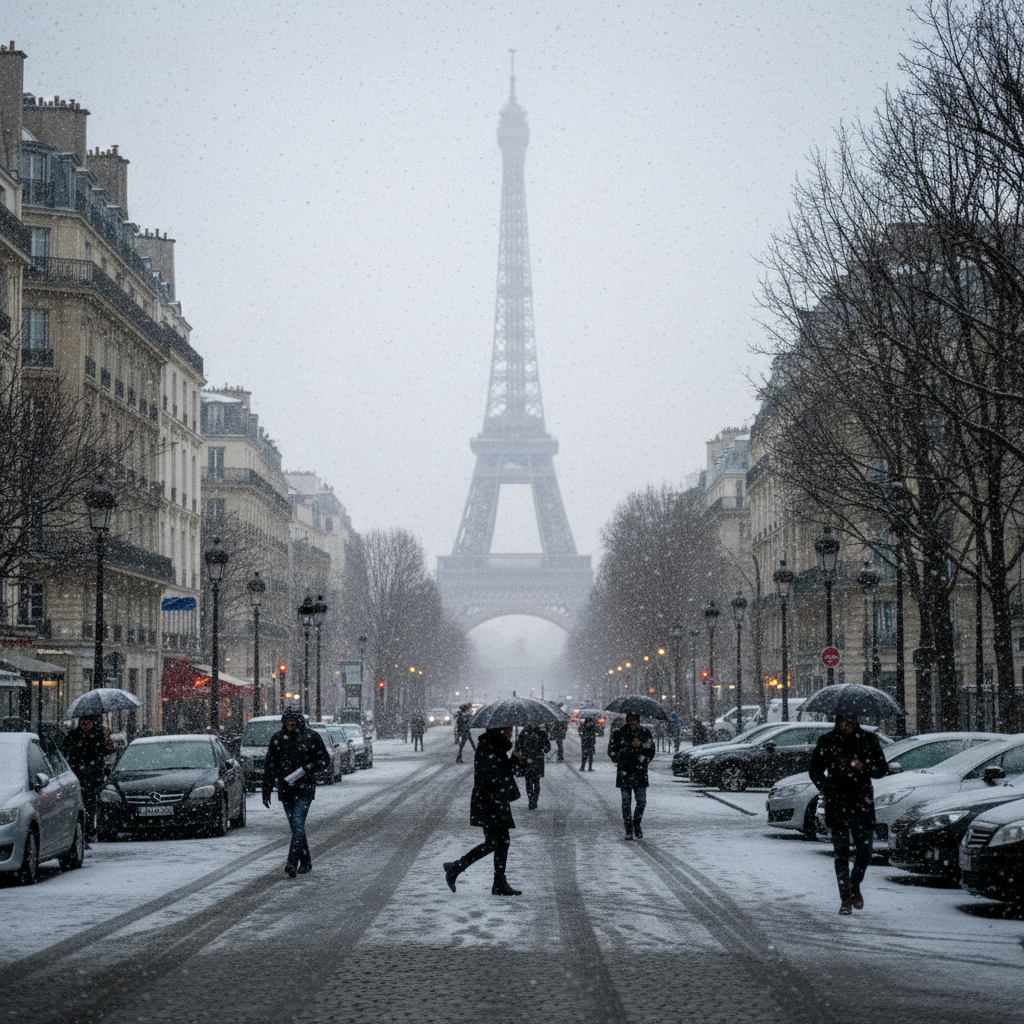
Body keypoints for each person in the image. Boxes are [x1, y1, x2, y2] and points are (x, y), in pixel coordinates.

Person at [809, 713, 888, 914]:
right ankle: (845, 898)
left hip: (862, 803)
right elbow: (815, 770)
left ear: (857, 720)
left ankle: (855, 884)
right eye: (842, 719)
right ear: (836, 721)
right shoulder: (827, 741)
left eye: (851, 718)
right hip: (837, 803)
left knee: (865, 852)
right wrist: (826, 787)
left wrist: (866, 767)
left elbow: (882, 769)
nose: (847, 723)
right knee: (841, 852)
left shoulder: (868, 740)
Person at [443, 726, 523, 895]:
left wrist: (515, 760)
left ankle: (498, 882)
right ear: (499, 730)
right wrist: (513, 761)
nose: (510, 732)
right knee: (494, 842)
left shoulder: (495, 745)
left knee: (502, 842)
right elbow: (493, 775)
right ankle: (456, 867)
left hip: (494, 801)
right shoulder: (488, 746)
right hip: (489, 802)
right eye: (507, 729)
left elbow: (505, 773)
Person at [261, 708, 331, 878]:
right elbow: (270, 765)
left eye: (294, 724)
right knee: (296, 827)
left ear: (300, 723)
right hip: (286, 789)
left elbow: (324, 760)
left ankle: (292, 862)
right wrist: (267, 788)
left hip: (304, 788)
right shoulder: (278, 739)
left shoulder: (311, 737)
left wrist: (307, 768)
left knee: (298, 824)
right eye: (288, 724)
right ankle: (305, 861)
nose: (291, 727)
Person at [64, 715, 113, 841]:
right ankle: (83, 831)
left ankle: (90, 830)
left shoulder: (98, 735)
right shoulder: (73, 736)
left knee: (92, 804)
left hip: (94, 775)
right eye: (83, 722)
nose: (85, 725)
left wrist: (109, 747)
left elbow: (101, 754)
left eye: (88, 722)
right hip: (79, 775)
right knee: (82, 803)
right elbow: (68, 753)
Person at [607, 712, 656, 840]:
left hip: (640, 773)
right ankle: (628, 829)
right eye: (630, 719)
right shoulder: (619, 733)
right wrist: (622, 756)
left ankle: (636, 824)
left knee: (641, 801)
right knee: (626, 803)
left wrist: (642, 752)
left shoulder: (645, 733)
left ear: (638, 721)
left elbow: (651, 750)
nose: (633, 722)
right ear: (627, 720)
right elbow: (612, 750)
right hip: (625, 772)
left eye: (635, 720)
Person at [514, 725, 551, 809]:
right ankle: (533, 800)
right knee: (535, 782)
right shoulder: (540, 733)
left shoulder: (525, 733)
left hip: (529, 760)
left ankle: (532, 800)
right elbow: (547, 748)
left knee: (530, 782)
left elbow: (518, 747)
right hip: (534, 760)